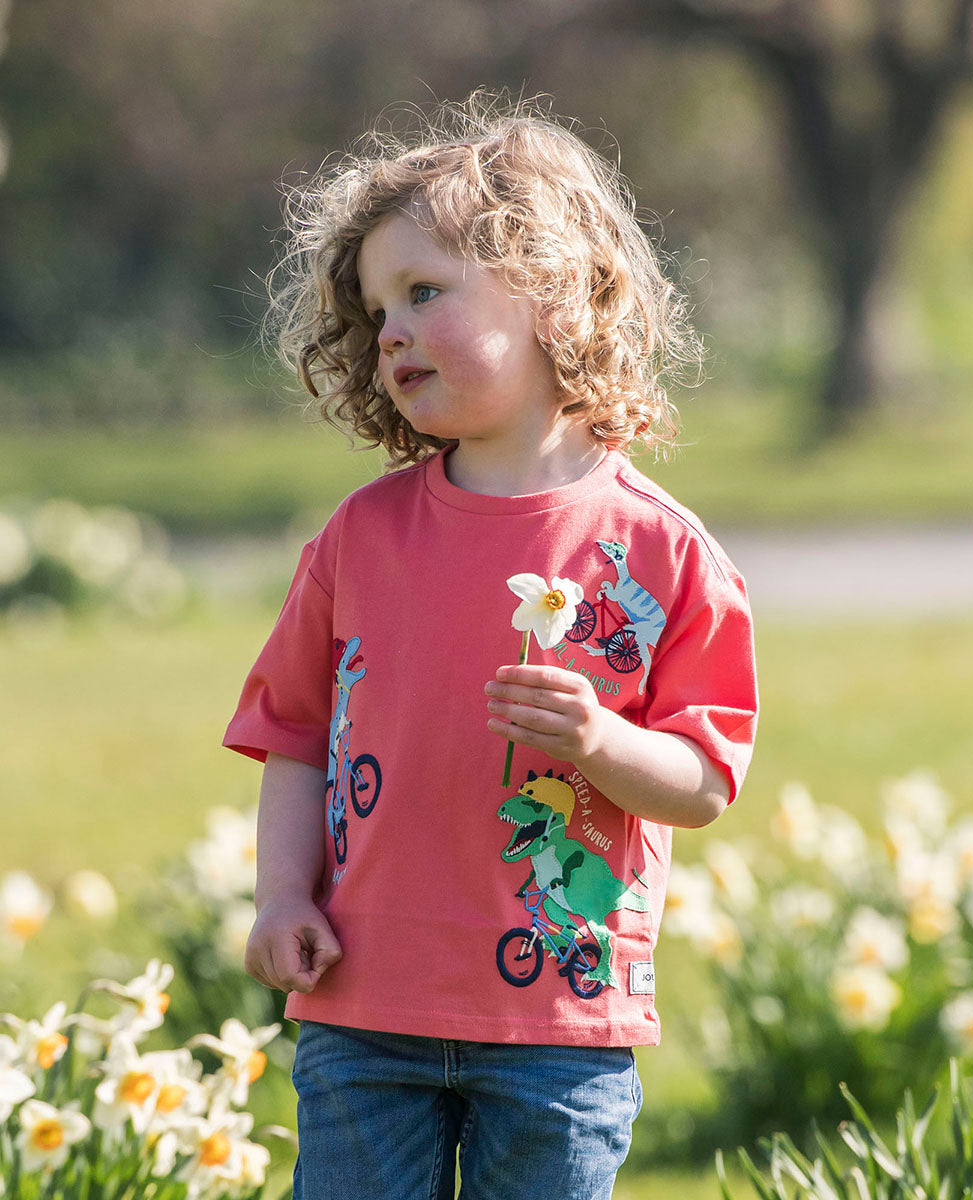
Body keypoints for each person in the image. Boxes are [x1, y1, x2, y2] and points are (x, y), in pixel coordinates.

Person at [224, 93, 758, 1200]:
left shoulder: (662, 552)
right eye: (378, 310)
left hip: (557, 1022)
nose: (391, 331)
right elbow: (295, 737)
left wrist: (601, 742)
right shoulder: (359, 539)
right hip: (364, 1007)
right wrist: (281, 897)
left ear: (552, 289)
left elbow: (704, 782)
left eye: (424, 292)